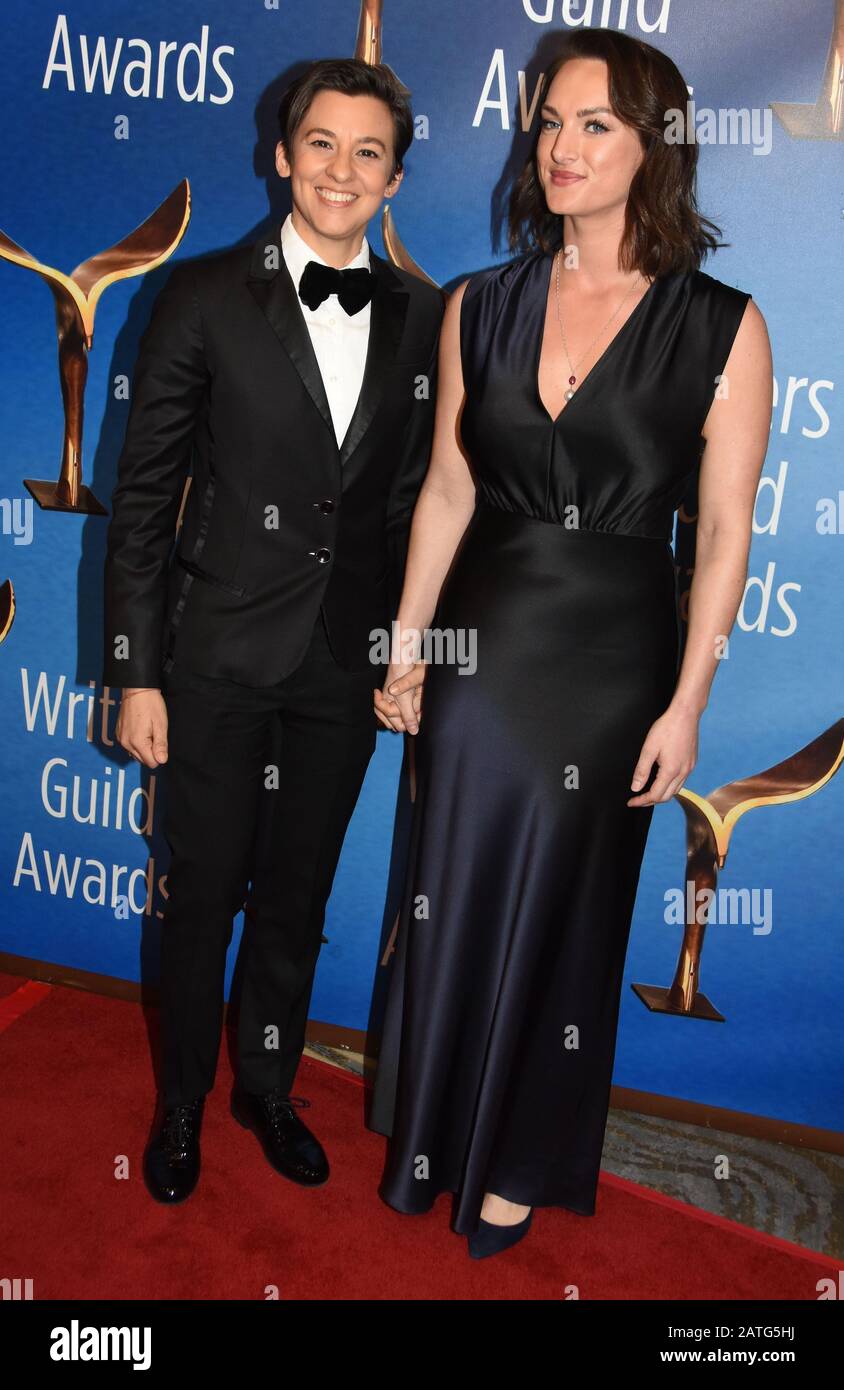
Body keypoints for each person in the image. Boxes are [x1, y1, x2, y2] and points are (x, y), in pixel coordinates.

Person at [367, 27, 772, 1259]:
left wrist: (687, 703)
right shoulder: (476, 306)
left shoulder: (721, 327)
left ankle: (524, 1153)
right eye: (547, 121)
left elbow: (719, 536)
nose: (560, 147)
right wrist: (407, 647)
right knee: (451, 886)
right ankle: (435, 1127)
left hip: (611, 662)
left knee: (569, 905)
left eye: (592, 124)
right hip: (480, 641)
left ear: (653, 144)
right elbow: (444, 491)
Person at [102, 57, 444, 1204]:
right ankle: (181, 1108)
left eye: (367, 152)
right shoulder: (199, 296)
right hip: (212, 661)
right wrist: (134, 674)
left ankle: (265, 1087)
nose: (340, 171)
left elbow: (410, 508)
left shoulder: (424, 317)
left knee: (296, 895)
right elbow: (143, 501)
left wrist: (412, 650)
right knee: (199, 895)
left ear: (394, 175)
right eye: (321, 145)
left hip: (339, 672)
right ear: (280, 153)